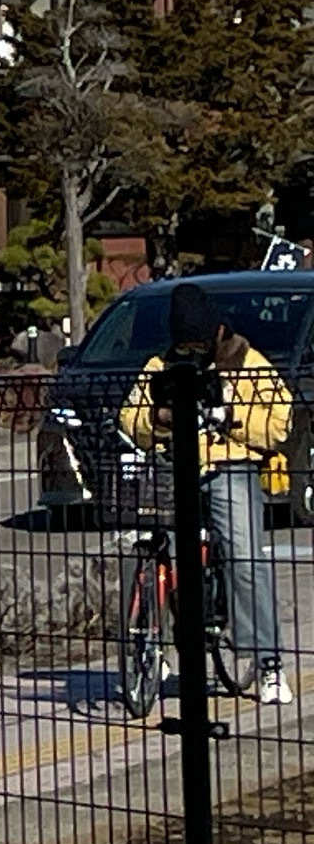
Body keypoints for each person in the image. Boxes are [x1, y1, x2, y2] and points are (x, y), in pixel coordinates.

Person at [118, 290, 293, 705]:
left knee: (244, 557)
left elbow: (279, 423)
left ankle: (268, 662)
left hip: (229, 464)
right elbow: (130, 416)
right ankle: (156, 644)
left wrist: (229, 415)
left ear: (216, 333)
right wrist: (160, 418)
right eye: (184, 346)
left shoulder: (249, 364)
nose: (191, 353)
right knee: (161, 548)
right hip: (174, 468)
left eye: (198, 345)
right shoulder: (160, 367)